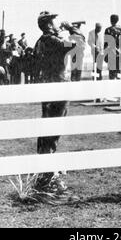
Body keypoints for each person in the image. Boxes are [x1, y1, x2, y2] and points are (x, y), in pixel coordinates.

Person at [34, 11, 75, 193]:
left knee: (47, 128)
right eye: (55, 21)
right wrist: (71, 28)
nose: (58, 23)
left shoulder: (40, 41)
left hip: (47, 86)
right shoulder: (52, 40)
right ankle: (49, 175)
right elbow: (75, 44)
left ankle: (44, 170)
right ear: (49, 25)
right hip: (58, 86)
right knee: (54, 129)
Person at [104, 15, 121, 80]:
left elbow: (106, 44)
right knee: (119, 74)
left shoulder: (108, 30)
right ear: (117, 20)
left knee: (111, 76)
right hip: (119, 54)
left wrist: (105, 56)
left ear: (110, 20)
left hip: (111, 55)